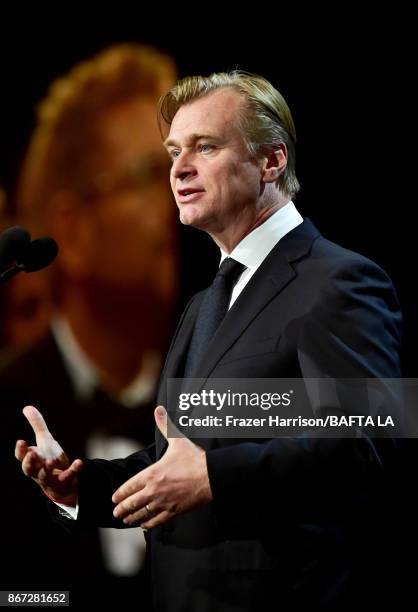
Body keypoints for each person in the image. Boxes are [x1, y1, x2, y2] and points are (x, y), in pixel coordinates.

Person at [15, 72, 402, 611]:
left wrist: (215, 478)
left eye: (206, 147)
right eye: (174, 151)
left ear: (272, 161)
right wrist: (82, 487)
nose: (178, 168)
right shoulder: (204, 303)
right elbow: (184, 455)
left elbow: (369, 442)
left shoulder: (337, 281)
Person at [2, 44, 178, 606]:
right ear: (71, 231)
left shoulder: (213, 378)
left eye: (182, 166)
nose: (179, 197)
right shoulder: (7, 404)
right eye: (150, 173)